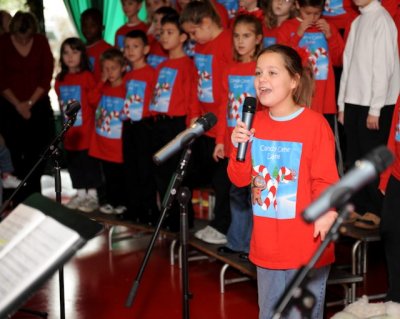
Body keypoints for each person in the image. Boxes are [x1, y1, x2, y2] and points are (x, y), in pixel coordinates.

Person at [228, 44, 339, 319]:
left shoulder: (315, 125)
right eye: (258, 72)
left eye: (272, 72)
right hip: (267, 246)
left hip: (306, 246)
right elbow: (239, 180)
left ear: (293, 80)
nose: (262, 79)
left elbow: (325, 179)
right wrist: (237, 148)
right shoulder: (254, 124)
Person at [337, 0, 399, 224]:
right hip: (355, 101)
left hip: (376, 105)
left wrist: (376, 108)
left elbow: (384, 68)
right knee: (355, 158)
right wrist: (343, 104)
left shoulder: (382, 20)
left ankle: (375, 209)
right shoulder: (357, 21)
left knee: (371, 159)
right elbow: (348, 65)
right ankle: (359, 205)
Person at [181, 0, 234, 244]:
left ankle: (223, 226)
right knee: (212, 177)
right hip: (206, 124)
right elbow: (196, 85)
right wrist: (194, 114)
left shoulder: (227, 43)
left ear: (206, 22)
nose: (192, 38)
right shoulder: (200, 48)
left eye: (194, 32)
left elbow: (228, 91)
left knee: (224, 181)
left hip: (224, 124)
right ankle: (217, 222)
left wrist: (223, 126)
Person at [216, 14, 263, 258]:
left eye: (246, 36)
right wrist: (219, 141)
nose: (240, 41)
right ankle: (237, 242)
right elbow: (224, 106)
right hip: (234, 142)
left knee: (254, 193)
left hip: (256, 141)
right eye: (236, 36)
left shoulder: (260, 69)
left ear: (258, 39)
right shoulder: (230, 69)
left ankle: (254, 246)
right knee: (236, 192)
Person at [149, 13, 201, 231]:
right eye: (162, 33)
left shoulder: (188, 65)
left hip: (177, 125)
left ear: (182, 37)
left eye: (170, 33)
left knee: (177, 174)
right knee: (160, 172)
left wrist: (191, 127)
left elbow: (191, 96)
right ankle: (166, 217)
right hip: (159, 124)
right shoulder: (161, 66)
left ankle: (183, 220)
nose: (164, 37)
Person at [0, 11, 54, 204]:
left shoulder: (40, 42)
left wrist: (30, 102)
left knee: (38, 152)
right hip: (10, 107)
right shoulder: (4, 43)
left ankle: (34, 196)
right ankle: (17, 198)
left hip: (38, 106)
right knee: (14, 153)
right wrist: (18, 104)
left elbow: (46, 76)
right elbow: (2, 78)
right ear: (12, 31)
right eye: (18, 38)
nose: (23, 42)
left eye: (27, 38)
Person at [55, 37, 102, 213]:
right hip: (70, 134)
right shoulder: (60, 79)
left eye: (74, 52)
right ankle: (81, 194)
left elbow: (94, 101)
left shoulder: (87, 77)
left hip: (87, 132)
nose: (70, 56)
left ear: (82, 55)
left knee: (89, 165)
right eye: (66, 52)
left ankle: (93, 196)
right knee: (75, 165)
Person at [121, 30, 159, 224]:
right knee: (130, 168)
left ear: (145, 49)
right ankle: (133, 207)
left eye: (135, 46)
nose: (130, 51)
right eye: (127, 47)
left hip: (145, 126)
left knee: (145, 170)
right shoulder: (127, 75)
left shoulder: (152, 73)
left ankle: (150, 210)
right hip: (129, 125)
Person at [88, 48, 128, 215]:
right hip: (102, 142)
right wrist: (100, 82)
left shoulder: (126, 88)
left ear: (123, 68)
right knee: (107, 175)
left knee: (120, 175)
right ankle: (109, 201)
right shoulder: (103, 88)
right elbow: (91, 100)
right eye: (105, 68)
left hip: (117, 143)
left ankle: (122, 201)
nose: (109, 72)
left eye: (113, 68)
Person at [379, 96, 400, 303]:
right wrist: (386, 177)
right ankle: (396, 297)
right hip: (396, 175)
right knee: (391, 231)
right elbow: (395, 132)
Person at [81, 8, 113, 82]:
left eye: (92, 25)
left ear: (102, 27)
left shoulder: (108, 49)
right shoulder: (79, 49)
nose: (88, 29)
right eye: (84, 25)